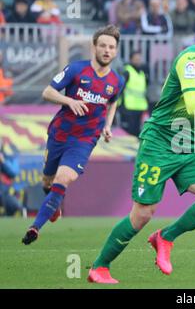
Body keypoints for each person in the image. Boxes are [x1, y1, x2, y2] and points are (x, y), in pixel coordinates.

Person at [88, 7, 195, 284]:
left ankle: (165, 237)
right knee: (142, 214)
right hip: (161, 143)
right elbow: (193, 104)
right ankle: (99, 267)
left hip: (191, 145)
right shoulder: (191, 60)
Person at [21, 25, 124, 245]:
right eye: (103, 45)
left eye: (111, 47)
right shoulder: (76, 70)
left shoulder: (117, 81)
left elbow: (113, 101)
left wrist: (107, 125)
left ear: (115, 51)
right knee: (48, 181)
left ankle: (34, 227)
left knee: (64, 178)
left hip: (85, 140)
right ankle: (54, 205)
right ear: (94, 47)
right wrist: (70, 100)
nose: (107, 50)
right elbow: (47, 92)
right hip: (60, 133)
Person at [118, 50, 149, 137]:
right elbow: (120, 88)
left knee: (138, 133)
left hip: (140, 107)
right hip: (129, 107)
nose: (138, 61)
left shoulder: (142, 73)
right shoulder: (127, 72)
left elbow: (143, 90)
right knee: (129, 132)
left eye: (139, 59)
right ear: (131, 60)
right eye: (136, 59)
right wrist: (118, 104)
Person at [0, 138, 21, 216]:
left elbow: (14, 172)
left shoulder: (9, 158)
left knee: (14, 205)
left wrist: (3, 162)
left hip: (6, 193)